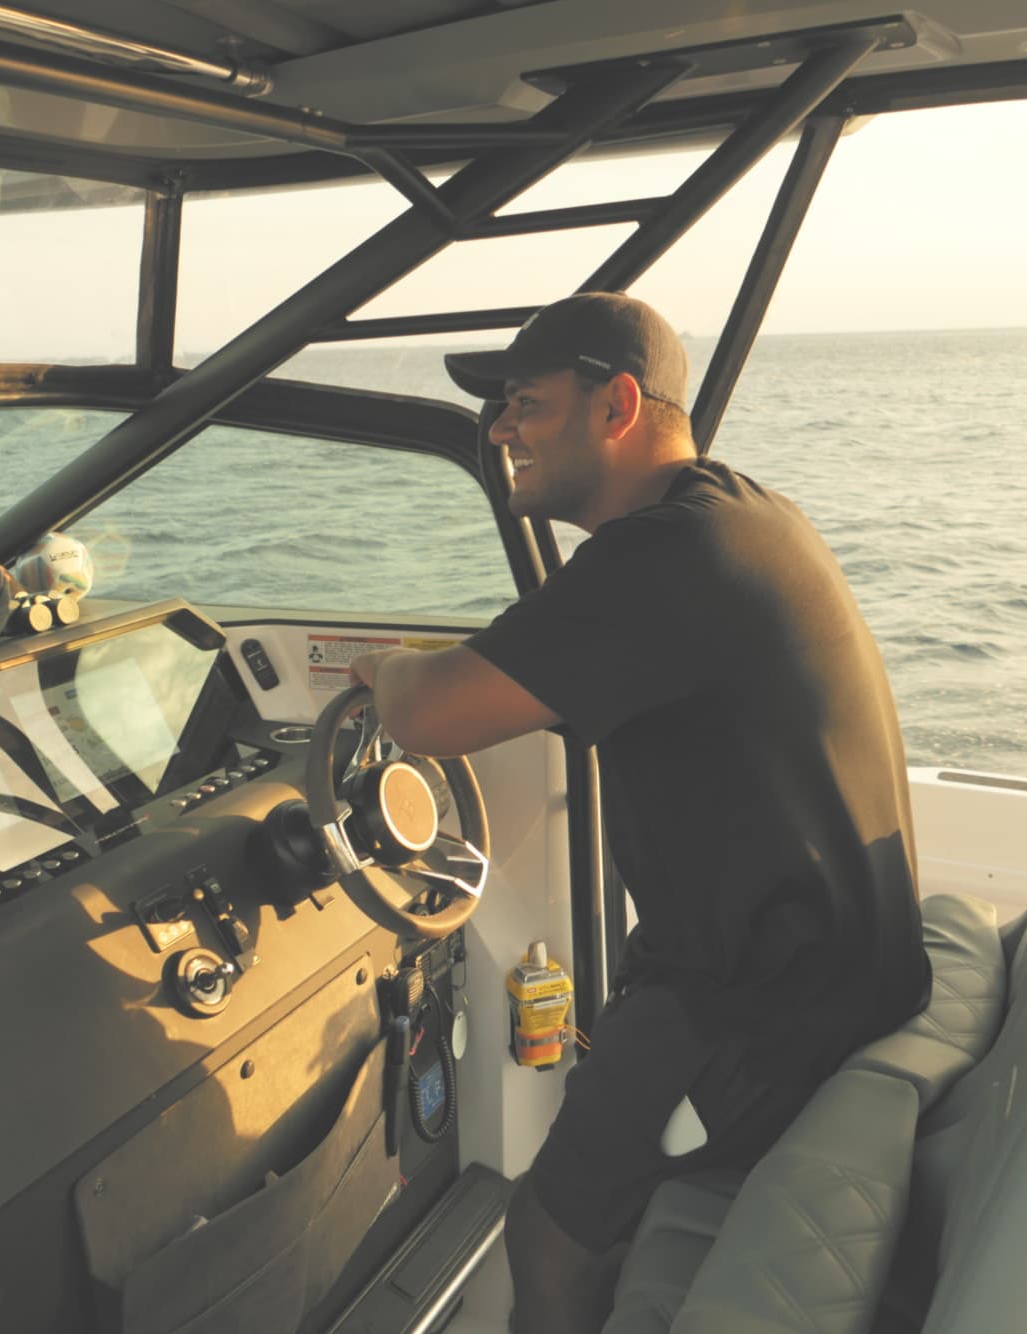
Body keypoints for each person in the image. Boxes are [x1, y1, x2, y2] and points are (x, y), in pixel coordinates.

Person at [349, 292, 929, 1334]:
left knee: (545, 1231)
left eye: (522, 401)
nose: (497, 430)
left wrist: (378, 669)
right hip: (820, 978)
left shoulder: (659, 556)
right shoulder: (739, 515)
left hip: (755, 1020)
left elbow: (433, 714)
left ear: (617, 403)